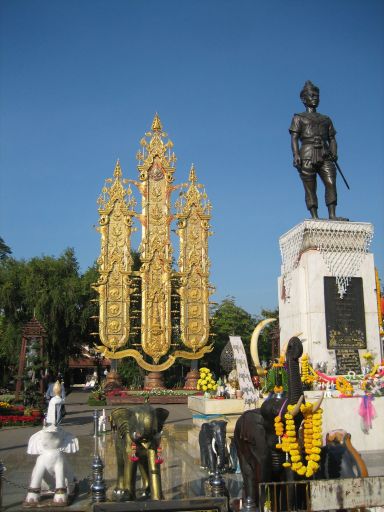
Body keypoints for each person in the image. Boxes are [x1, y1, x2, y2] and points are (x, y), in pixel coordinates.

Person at [289, 80, 346, 220]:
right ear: (303, 99)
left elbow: (332, 138)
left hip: (325, 153)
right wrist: (296, 154)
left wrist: (334, 152)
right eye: (311, 95)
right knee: (310, 187)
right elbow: (294, 138)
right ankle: (314, 216)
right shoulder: (298, 117)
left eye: (317, 96)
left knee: (331, 183)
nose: (315, 98)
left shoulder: (326, 119)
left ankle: (332, 214)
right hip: (307, 153)